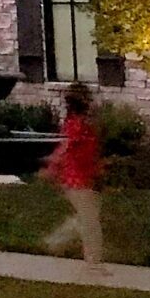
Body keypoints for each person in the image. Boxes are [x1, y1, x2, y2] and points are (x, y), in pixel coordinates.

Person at [41, 83, 104, 265]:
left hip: (84, 176)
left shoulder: (80, 123)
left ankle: (58, 241)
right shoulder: (77, 124)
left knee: (88, 218)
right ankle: (93, 262)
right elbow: (65, 148)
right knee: (90, 221)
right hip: (78, 179)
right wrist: (52, 166)